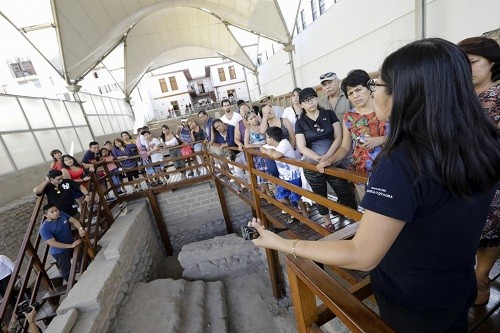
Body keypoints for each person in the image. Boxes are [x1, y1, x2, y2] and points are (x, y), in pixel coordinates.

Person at [250, 38, 500, 333]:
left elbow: (362, 254)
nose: (372, 92)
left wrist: (282, 244)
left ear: (402, 93)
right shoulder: (483, 142)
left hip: (413, 304)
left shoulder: (403, 162)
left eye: (377, 84)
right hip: (458, 286)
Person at [459, 36, 500, 306]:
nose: (468, 68)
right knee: (468, 227)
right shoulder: (461, 96)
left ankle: (482, 278)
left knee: (492, 229)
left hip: (493, 176)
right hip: (462, 174)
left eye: (473, 62)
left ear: (493, 63)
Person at [318, 69, 386, 201]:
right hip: (362, 173)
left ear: (369, 87)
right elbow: (345, 147)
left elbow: (406, 134)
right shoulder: (348, 117)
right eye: (350, 93)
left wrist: (382, 139)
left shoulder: (386, 107)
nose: (355, 96)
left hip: (391, 171)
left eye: (358, 89)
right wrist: (330, 160)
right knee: (370, 209)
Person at [295, 87, 357, 232]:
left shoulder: (329, 114)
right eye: (305, 100)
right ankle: (327, 223)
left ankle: (356, 220)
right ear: (301, 104)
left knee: (345, 193)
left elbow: (339, 137)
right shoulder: (300, 122)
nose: (310, 102)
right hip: (313, 166)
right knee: (320, 196)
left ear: (317, 99)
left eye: (312, 98)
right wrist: (318, 158)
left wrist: (327, 157)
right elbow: (301, 147)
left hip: (334, 162)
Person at [261, 127, 308, 222]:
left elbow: (276, 155)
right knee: (280, 197)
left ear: (272, 139)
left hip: (293, 176)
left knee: (297, 197)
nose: (265, 139)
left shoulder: (284, 143)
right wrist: (269, 151)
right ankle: (295, 211)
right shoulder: (274, 146)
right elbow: (261, 148)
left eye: (266, 137)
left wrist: (271, 152)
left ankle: (305, 214)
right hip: (283, 178)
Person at [39, 204, 86, 282]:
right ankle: (73, 285)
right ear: (46, 215)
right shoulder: (44, 228)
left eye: (56, 210)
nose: (56, 212)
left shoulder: (62, 214)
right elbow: (52, 243)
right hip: (59, 251)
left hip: (71, 244)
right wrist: (71, 245)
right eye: (52, 212)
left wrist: (80, 229)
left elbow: (74, 220)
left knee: (83, 257)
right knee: (67, 271)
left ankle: (86, 274)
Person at [244, 112, 272, 196]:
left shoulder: (262, 127)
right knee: (262, 174)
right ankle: (268, 193)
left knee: (270, 171)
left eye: (254, 117)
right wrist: (259, 145)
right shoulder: (248, 130)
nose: (254, 119)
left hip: (267, 151)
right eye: (251, 119)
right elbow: (246, 145)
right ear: (248, 121)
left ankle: (266, 192)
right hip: (258, 155)